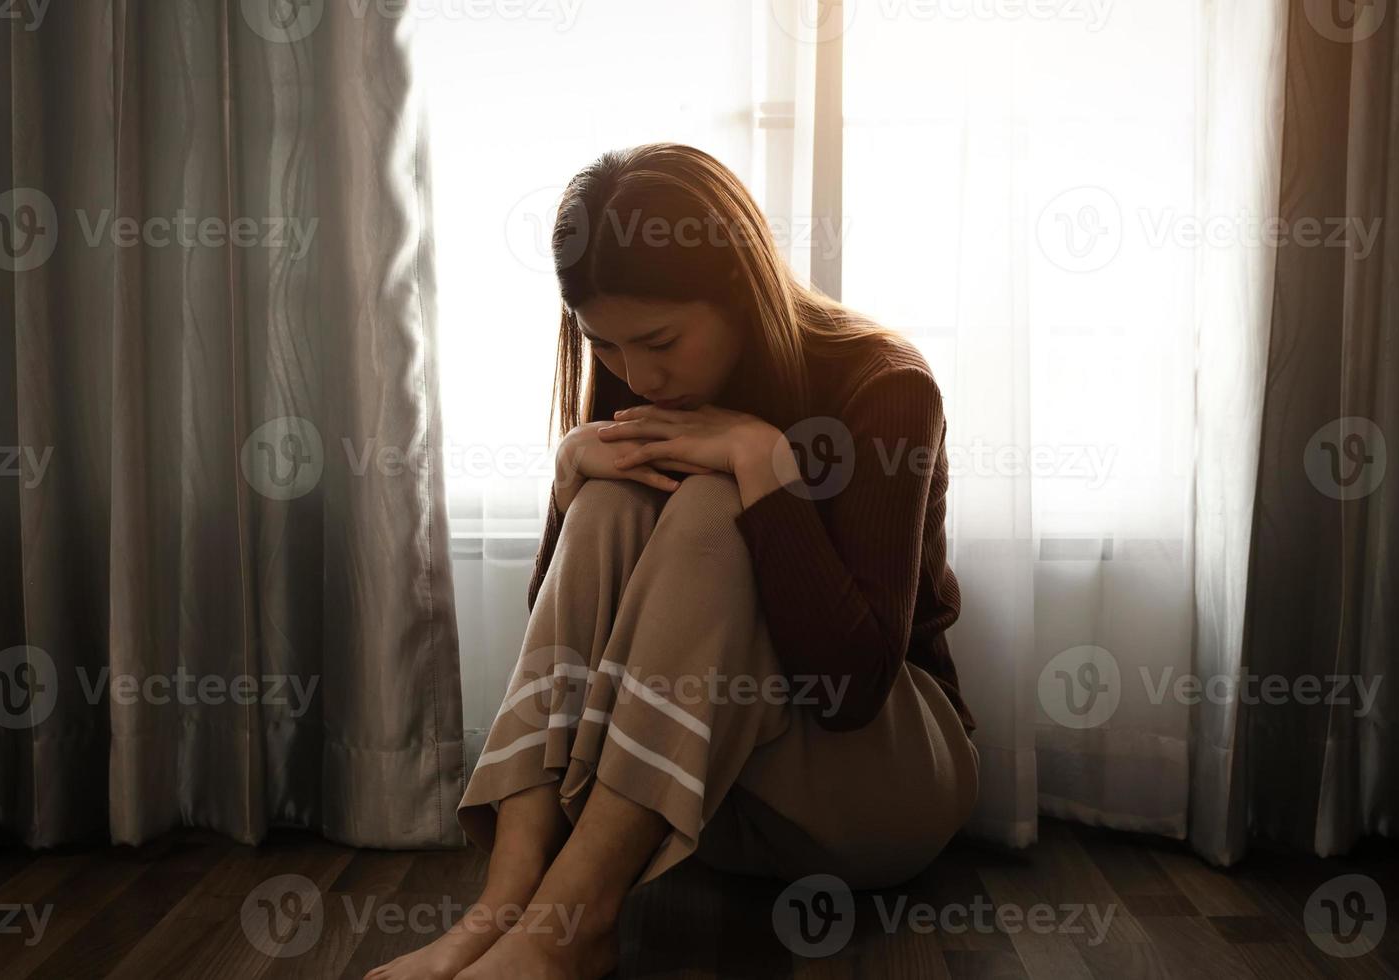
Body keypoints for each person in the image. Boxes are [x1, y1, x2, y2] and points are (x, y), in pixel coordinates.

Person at [370, 142, 979, 980]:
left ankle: (565, 932)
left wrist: (765, 466)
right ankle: (506, 908)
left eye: (658, 342)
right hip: (705, 810)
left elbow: (854, 689)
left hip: (880, 788)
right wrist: (565, 484)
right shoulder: (643, 382)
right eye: (606, 347)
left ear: (743, 292)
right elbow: (580, 648)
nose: (637, 375)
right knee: (616, 491)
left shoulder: (885, 385)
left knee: (711, 497)